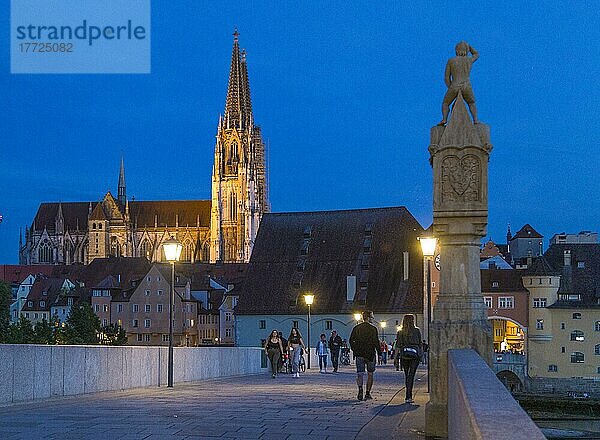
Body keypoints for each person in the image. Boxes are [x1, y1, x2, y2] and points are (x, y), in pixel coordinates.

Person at [439, 41, 479, 125]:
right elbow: (476, 54)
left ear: (456, 50)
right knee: (471, 103)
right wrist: (469, 47)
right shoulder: (469, 60)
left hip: (454, 85)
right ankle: (475, 120)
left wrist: (450, 88)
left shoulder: (451, 61)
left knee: (445, 103)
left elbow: (446, 77)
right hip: (467, 86)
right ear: (467, 50)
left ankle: (444, 119)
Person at [349, 310, 381, 401]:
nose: (373, 319)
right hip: (370, 354)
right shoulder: (373, 329)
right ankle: (367, 393)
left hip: (359, 354)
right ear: (368, 318)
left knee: (360, 374)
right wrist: (379, 353)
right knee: (370, 374)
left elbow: (351, 340)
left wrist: (355, 349)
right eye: (372, 317)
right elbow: (376, 342)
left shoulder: (356, 328)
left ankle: (360, 390)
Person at [395, 314, 422, 403]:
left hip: (404, 355)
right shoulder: (417, 331)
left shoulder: (400, 332)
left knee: (407, 375)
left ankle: (408, 396)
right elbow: (420, 344)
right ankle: (409, 396)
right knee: (412, 375)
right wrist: (420, 355)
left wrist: (395, 358)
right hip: (415, 355)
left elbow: (398, 346)